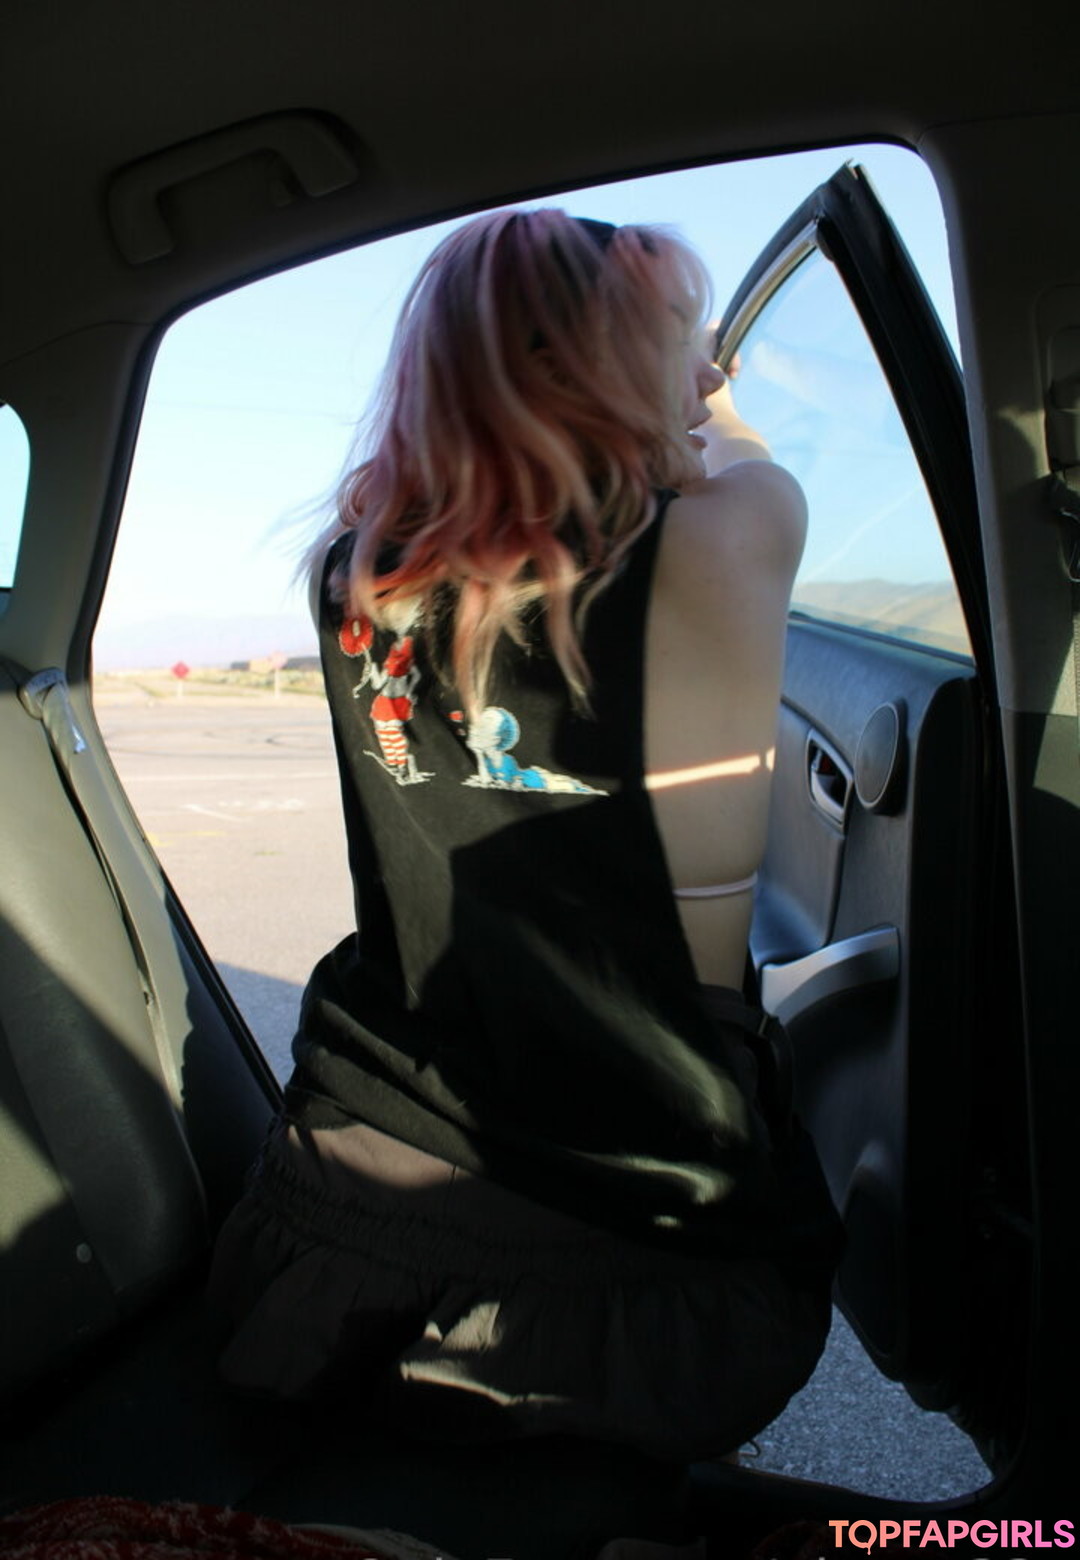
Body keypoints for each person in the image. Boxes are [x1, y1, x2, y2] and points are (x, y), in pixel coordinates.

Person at [208, 209, 842, 1462]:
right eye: (678, 342)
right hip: (627, 1209)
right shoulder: (728, 537)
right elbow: (736, 456)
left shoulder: (351, 572)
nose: (698, 376)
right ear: (595, 364)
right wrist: (713, 397)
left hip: (343, 1188)